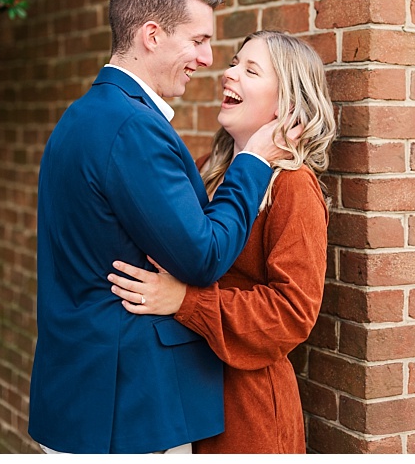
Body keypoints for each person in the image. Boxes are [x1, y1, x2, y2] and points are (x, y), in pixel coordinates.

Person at [28, 0, 299, 454]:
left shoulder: (84, 115)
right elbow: (203, 255)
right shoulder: (132, 128)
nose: (208, 59)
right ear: (152, 35)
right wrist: (254, 161)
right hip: (127, 409)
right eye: (198, 41)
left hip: (86, 395)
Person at [107, 30, 336, 453]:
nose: (228, 74)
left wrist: (186, 301)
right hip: (187, 396)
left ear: (288, 105)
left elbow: (292, 313)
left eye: (250, 70)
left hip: (246, 415)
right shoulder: (203, 170)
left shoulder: (292, 187)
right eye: (234, 63)